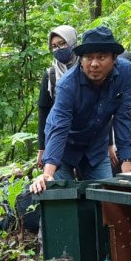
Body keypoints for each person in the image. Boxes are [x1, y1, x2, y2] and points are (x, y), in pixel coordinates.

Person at [30, 26, 131, 194]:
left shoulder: (125, 72)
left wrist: (126, 159)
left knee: (105, 199)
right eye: (88, 57)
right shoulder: (67, 85)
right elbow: (59, 127)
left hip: (96, 147)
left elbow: (122, 115)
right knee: (62, 198)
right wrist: (48, 173)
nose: (94, 64)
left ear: (114, 58)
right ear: (80, 59)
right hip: (64, 147)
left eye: (101, 57)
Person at [37, 25, 79, 168]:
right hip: (59, 139)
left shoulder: (87, 69)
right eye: (54, 46)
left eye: (62, 44)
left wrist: (109, 144)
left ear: (73, 42)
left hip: (87, 139)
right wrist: (42, 148)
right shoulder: (51, 75)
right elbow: (44, 112)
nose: (58, 49)